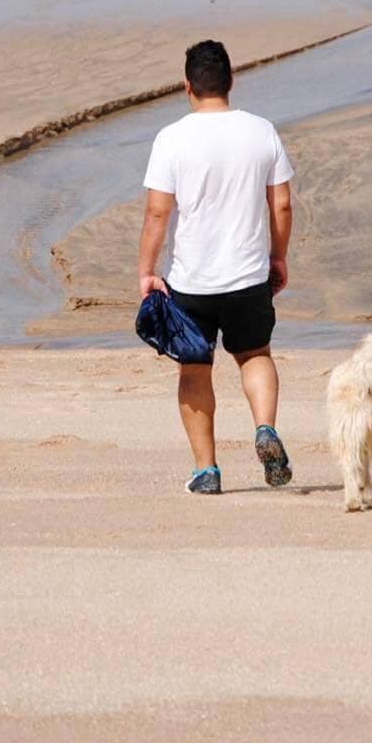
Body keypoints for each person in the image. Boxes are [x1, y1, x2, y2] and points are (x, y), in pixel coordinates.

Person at [138, 39, 294, 494]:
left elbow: (157, 213)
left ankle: (207, 470)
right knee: (254, 355)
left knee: (194, 368)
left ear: (187, 85)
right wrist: (278, 257)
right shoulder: (261, 131)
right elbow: (281, 205)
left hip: (191, 280)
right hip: (248, 275)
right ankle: (265, 427)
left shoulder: (172, 138)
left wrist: (148, 270)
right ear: (231, 81)